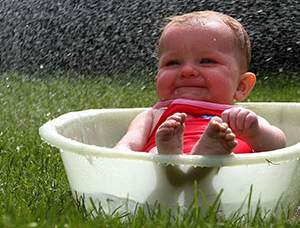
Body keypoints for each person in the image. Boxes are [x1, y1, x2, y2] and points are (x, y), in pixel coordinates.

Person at [114, 11, 286, 155]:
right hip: (162, 173)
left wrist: (254, 133)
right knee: (155, 154)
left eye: (206, 61)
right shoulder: (154, 115)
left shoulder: (237, 116)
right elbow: (126, 147)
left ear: (241, 86)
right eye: (173, 63)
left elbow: (278, 146)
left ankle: (200, 155)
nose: (187, 70)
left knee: (232, 154)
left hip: (226, 174)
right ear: (157, 81)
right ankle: (173, 157)